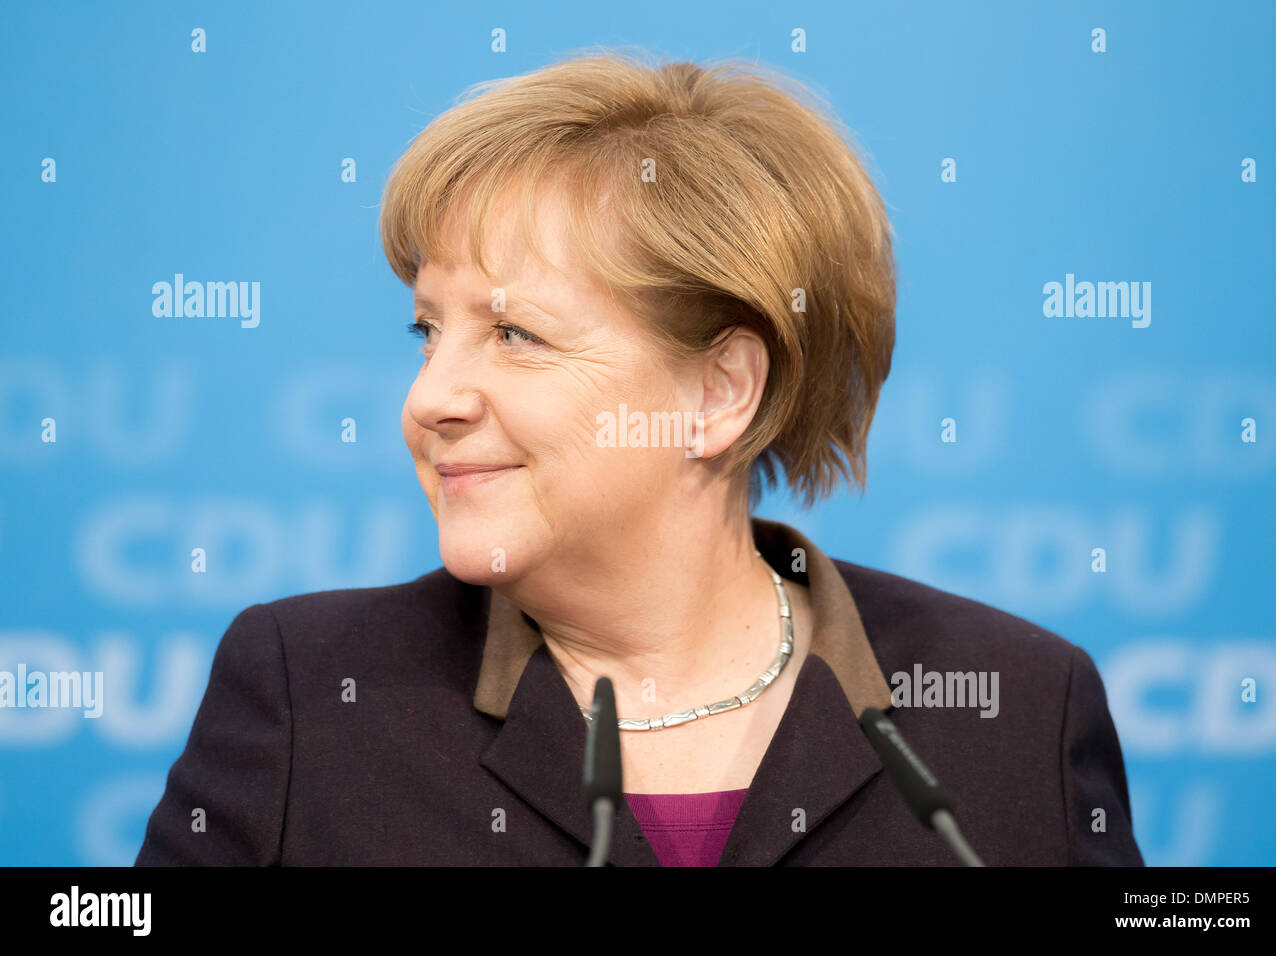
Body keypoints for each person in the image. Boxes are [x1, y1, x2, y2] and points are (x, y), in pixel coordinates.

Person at [135, 50, 1143, 866]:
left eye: (514, 333)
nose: (429, 398)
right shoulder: (311, 694)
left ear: (718, 391)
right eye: (426, 332)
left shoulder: (1014, 702)